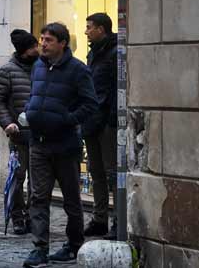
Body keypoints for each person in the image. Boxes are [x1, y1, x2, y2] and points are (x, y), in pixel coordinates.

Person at [23, 22, 98, 268]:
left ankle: (74, 244)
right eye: (42, 39)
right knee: (38, 197)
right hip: (39, 144)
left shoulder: (78, 70)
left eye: (48, 40)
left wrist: (68, 120)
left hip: (65, 144)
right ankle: (39, 248)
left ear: (62, 44)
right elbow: (35, 95)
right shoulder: (38, 67)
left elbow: (90, 104)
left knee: (71, 199)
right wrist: (29, 112)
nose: (43, 44)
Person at [0, 29, 40, 236]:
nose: (36, 50)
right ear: (23, 50)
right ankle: (18, 217)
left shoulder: (43, 68)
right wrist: (7, 123)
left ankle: (33, 216)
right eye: (32, 47)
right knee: (18, 178)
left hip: (40, 133)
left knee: (39, 180)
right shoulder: (8, 70)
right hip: (19, 134)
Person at [82, 13, 118, 240]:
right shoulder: (93, 52)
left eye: (89, 27)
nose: (86, 31)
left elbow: (116, 89)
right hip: (91, 120)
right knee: (96, 173)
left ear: (101, 29)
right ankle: (100, 219)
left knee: (112, 173)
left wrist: (112, 120)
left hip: (107, 122)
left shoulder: (115, 53)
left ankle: (118, 221)